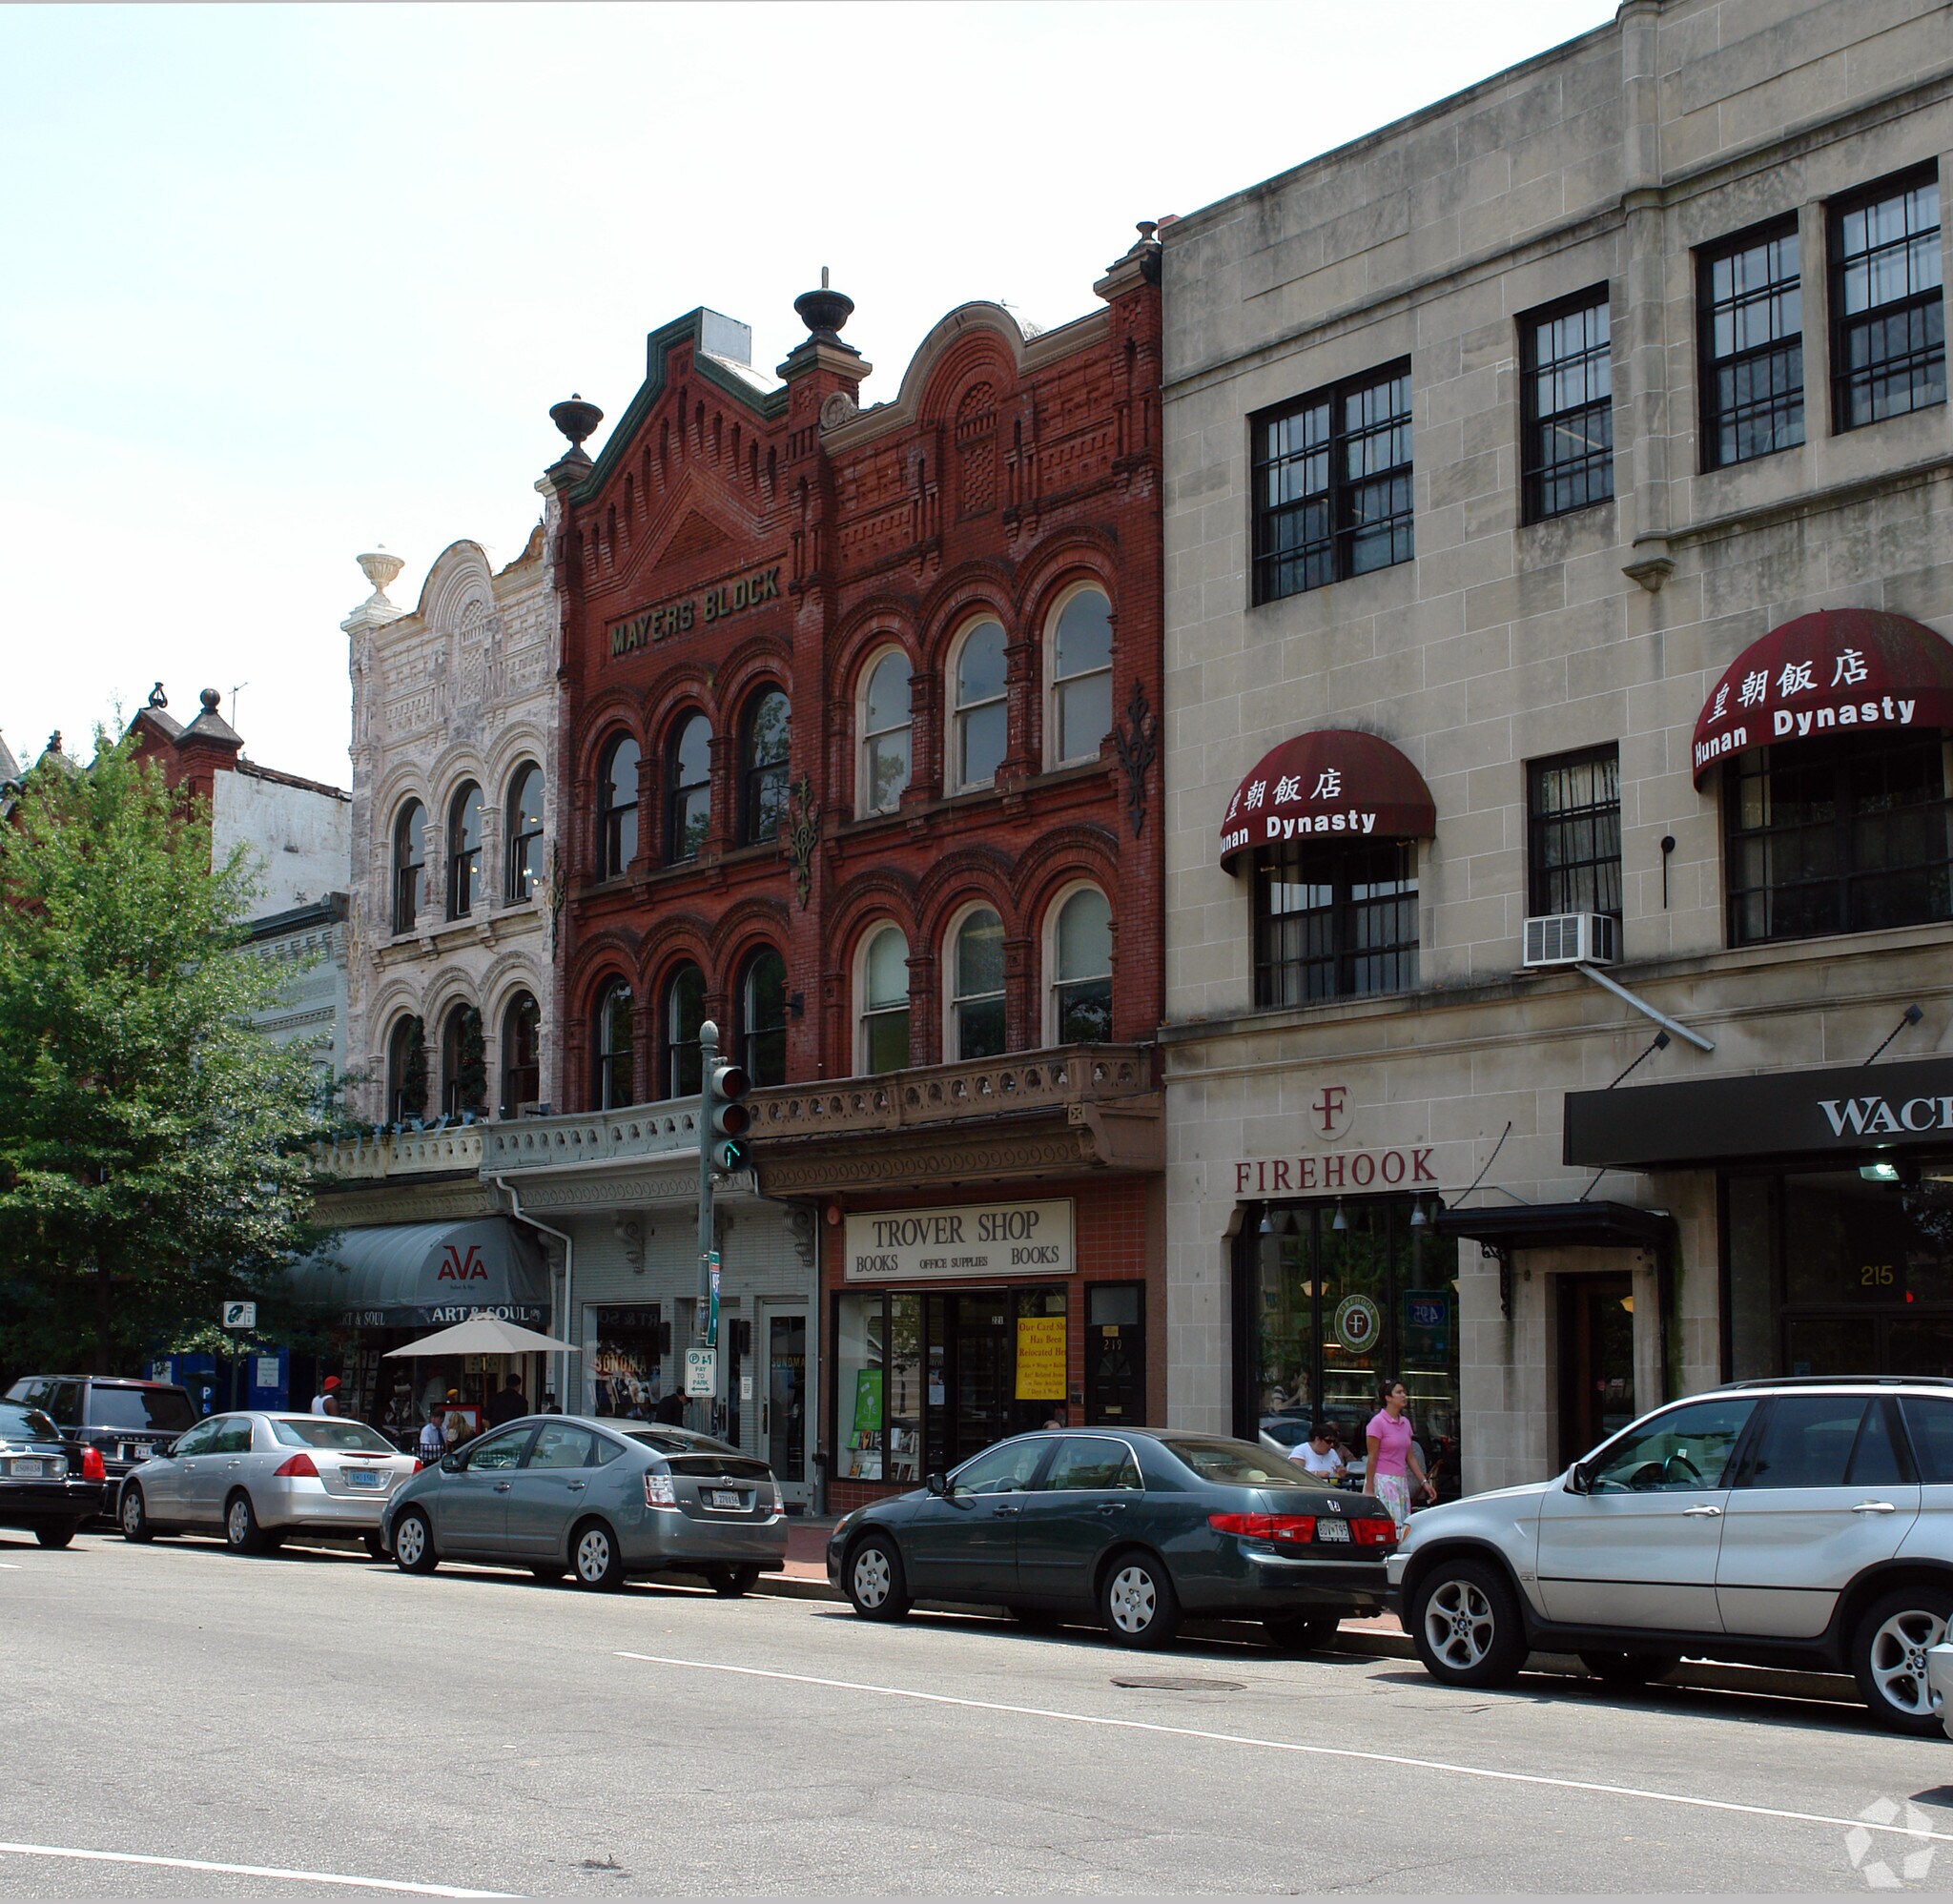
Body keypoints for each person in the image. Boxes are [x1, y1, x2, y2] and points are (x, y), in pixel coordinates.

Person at [1365, 1378, 1437, 1536]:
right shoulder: (1377, 1423)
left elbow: (1410, 1457)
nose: (1403, 1395)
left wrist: (1424, 1482)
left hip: (1400, 1481)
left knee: (1403, 1525)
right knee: (1390, 1525)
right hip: (1383, 1481)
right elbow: (1372, 1457)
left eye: (1403, 1392)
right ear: (1388, 1397)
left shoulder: (1405, 1423)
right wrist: (1369, 1488)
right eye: (1399, 1392)